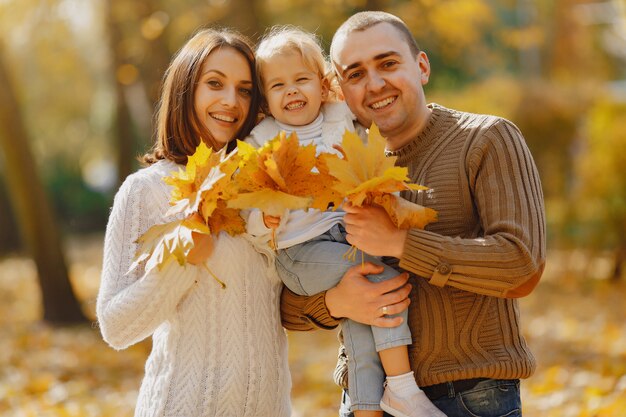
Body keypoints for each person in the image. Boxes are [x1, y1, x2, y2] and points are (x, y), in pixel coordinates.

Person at [280, 11, 546, 417]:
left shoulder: (486, 139)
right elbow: (286, 293)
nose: (374, 84)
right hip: (365, 401)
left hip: (469, 398)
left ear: (421, 66)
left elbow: (522, 266)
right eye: (355, 74)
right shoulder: (332, 166)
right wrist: (336, 302)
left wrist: (398, 243)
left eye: (388, 64)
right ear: (339, 88)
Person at [245, 26, 443, 417]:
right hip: (299, 252)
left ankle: (367, 408)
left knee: (362, 312)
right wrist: (264, 219)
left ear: (323, 84)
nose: (292, 91)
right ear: (266, 99)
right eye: (278, 85)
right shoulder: (262, 140)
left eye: (301, 79)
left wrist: (388, 198)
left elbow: (373, 166)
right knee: (379, 280)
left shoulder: (343, 120)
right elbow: (251, 214)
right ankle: (402, 386)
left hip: (346, 234)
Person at [96, 28, 291, 417]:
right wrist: (180, 262)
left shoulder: (264, 185)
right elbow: (115, 327)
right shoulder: (146, 191)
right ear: (186, 89)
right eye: (214, 84)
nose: (230, 101)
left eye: (245, 89)